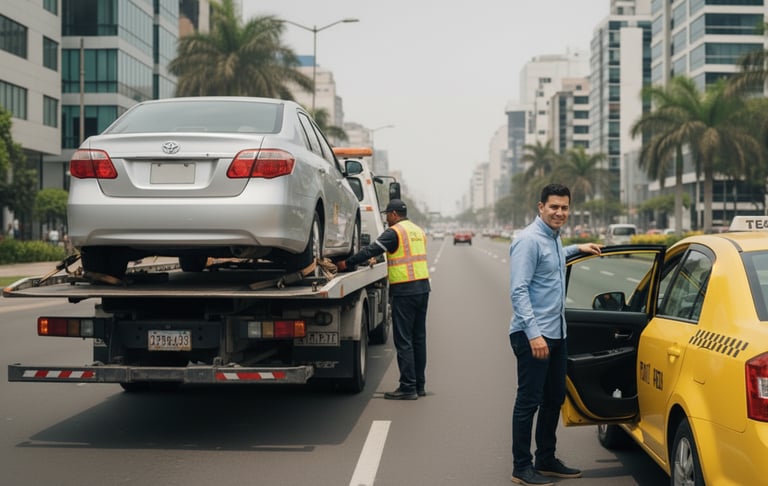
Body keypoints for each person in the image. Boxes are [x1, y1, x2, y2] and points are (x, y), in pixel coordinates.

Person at [508, 183, 602, 486]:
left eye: (564, 208)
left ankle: (545, 459)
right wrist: (534, 335)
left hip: (556, 333)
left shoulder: (552, 239)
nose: (560, 212)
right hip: (533, 335)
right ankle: (521, 467)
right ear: (540, 207)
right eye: (554, 207)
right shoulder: (528, 240)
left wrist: (577, 249)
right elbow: (519, 290)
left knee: (554, 399)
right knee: (529, 401)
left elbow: (552, 258)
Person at [336, 199, 431, 400]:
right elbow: (398, 253)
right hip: (422, 288)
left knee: (403, 341)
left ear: (394, 214)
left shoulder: (394, 232)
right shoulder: (417, 231)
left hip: (405, 291)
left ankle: (407, 388)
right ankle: (419, 385)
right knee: (418, 339)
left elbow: (372, 250)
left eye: (387, 215)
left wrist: (347, 263)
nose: (386, 219)